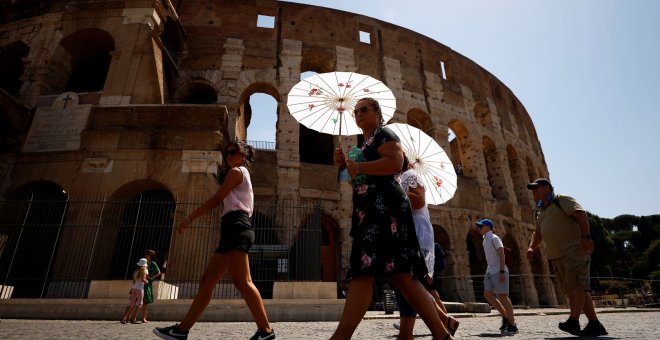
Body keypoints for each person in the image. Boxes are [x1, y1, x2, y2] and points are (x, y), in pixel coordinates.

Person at [332, 97, 452, 340]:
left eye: (364, 109)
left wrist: (361, 167)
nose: (359, 114)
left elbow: (396, 162)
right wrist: (344, 165)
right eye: (356, 111)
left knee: (363, 271)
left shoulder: (383, 134)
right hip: (373, 211)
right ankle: (442, 335)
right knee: (401, 275)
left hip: (384, 211)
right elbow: (355, 180)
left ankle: (340, 337)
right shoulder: (365, 144)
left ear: (378, 112)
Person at [154, 141, 275, 340]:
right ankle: (181, 330)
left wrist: (189, 218)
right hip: (232, 227)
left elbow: (217, 199)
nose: (228, 155)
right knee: (207, 281)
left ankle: (266, 331)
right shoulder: (237, 172)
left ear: (243, 155)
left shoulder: (237, 171)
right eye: (227, 152)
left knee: (243, 281)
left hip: (237, 225)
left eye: (233, 152)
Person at [526, 178, 608, 337]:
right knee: (575, 289)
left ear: (547, 188)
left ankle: (573, 321)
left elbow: (580, 214)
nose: (534, 192)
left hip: (574, 249)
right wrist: (531, 247)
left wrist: (586, 237)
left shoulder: (560, 200)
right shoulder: (540, 210)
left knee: (577, 285)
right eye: (533, 189)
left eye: (537, 188)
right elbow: (538, 232)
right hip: (556, 255)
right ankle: (595, 324)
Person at [393, 155, 459, 339]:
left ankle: (433, 329)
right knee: (409, 285)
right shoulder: (400, 178)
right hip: (407, 236)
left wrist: (392, 189)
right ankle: (444, 322)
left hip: (415, 237)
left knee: (407, 283)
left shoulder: (408, 176)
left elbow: (418, 200)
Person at [476, 218, 518, 335]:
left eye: (481, 226)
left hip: (499, 270)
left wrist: (501, 272)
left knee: (503, 297)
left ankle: (513, 325)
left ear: (488, 227)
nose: (479, 228)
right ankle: (505, 316)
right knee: (487, 294)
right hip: (490, 270)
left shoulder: (495, 238)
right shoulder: (484, 240)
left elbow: (502, 254)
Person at [121, 258, 148, 324]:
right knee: (140, 303)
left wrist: (132, 288)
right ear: (145, 265)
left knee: (131, 303)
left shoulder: (135, 271)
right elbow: (143, 280)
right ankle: (133, 318)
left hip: (134, 287)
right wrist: (147, 282)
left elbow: (134, 281)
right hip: (140, 288)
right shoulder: (145, 271)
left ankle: (123, 318)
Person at [140, 249, 161, 323]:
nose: (146, 255)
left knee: (146, 301)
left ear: (150, 256)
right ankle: (132, 317)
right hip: (140, 282)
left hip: (148, 284)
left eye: (148, 254)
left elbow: (158, 272)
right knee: (137, 301)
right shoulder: (143, 263)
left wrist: (152, 278)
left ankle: (143, 318)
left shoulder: (153, 264)